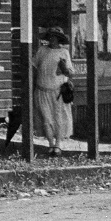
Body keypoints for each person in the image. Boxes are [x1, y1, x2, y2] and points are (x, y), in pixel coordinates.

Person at [31, 27, 75, 155]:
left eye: (55, 37)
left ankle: (58, 144)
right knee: (46, 118)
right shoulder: (42, 50)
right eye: (50, 36)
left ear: (59, 39)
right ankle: (50, 144)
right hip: (42, 89)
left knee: (58, 118)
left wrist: (65, 68)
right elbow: (33, 66)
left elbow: (71, 72)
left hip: (58, 91)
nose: (52, 39)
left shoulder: (64, 52)